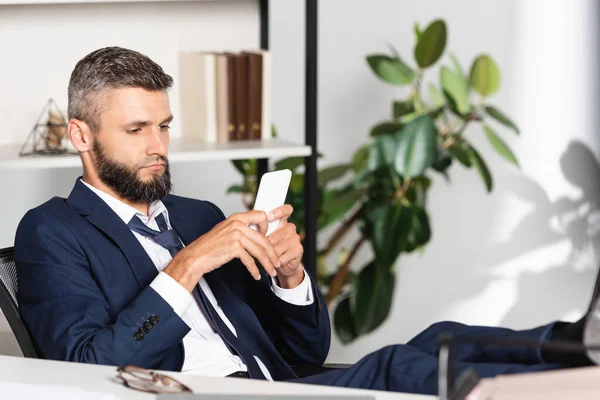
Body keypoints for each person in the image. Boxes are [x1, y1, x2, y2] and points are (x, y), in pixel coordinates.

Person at [13, 47, 595, 396]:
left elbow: (309, 353)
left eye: (164, 126)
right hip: (200, 395)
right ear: (82, 136)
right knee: (397, 366)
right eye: (136, 130)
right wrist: (187, 265)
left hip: (280, 388)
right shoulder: (51, 231)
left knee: (436, 340)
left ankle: (580, 345)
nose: (159, 145)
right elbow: (86, 369)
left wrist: (291, 278)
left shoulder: (198, 216)